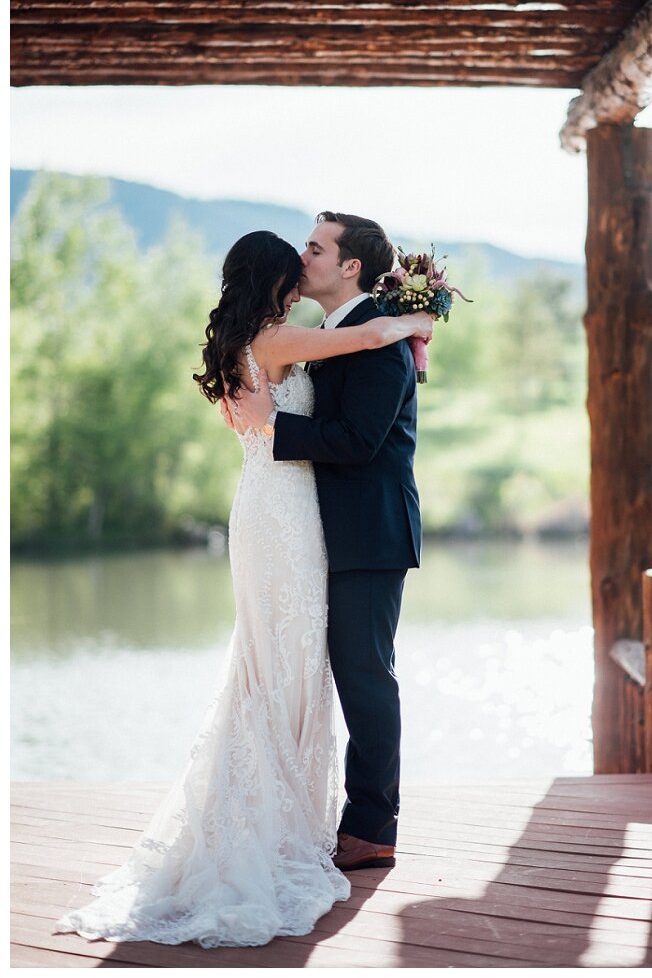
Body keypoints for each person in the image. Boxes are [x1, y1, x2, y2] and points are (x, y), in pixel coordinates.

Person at [57, 230, 432, 947]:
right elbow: (359, 347)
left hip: (287, 513)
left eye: (316, 252)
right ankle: (288, 821)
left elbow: (353, 396)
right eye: (296, 265)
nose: (304, 270)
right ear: (274, 282)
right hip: (281, 517)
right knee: (280, 666)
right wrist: (410, 319)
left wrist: (404, 328)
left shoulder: (270, 334)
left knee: (286, 666)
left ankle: (305, 816)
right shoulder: (279, 339)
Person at [235, 212, 422, 874]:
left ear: (349, 266)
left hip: (368, 534)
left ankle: (371, 827)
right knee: (314, 674)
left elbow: (358, 441)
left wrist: (275, 429)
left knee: (365, 678)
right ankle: (307, 813)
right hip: (312, 533)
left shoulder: (379, 344)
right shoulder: (333, 336)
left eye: (316, 247)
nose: (303, 255)